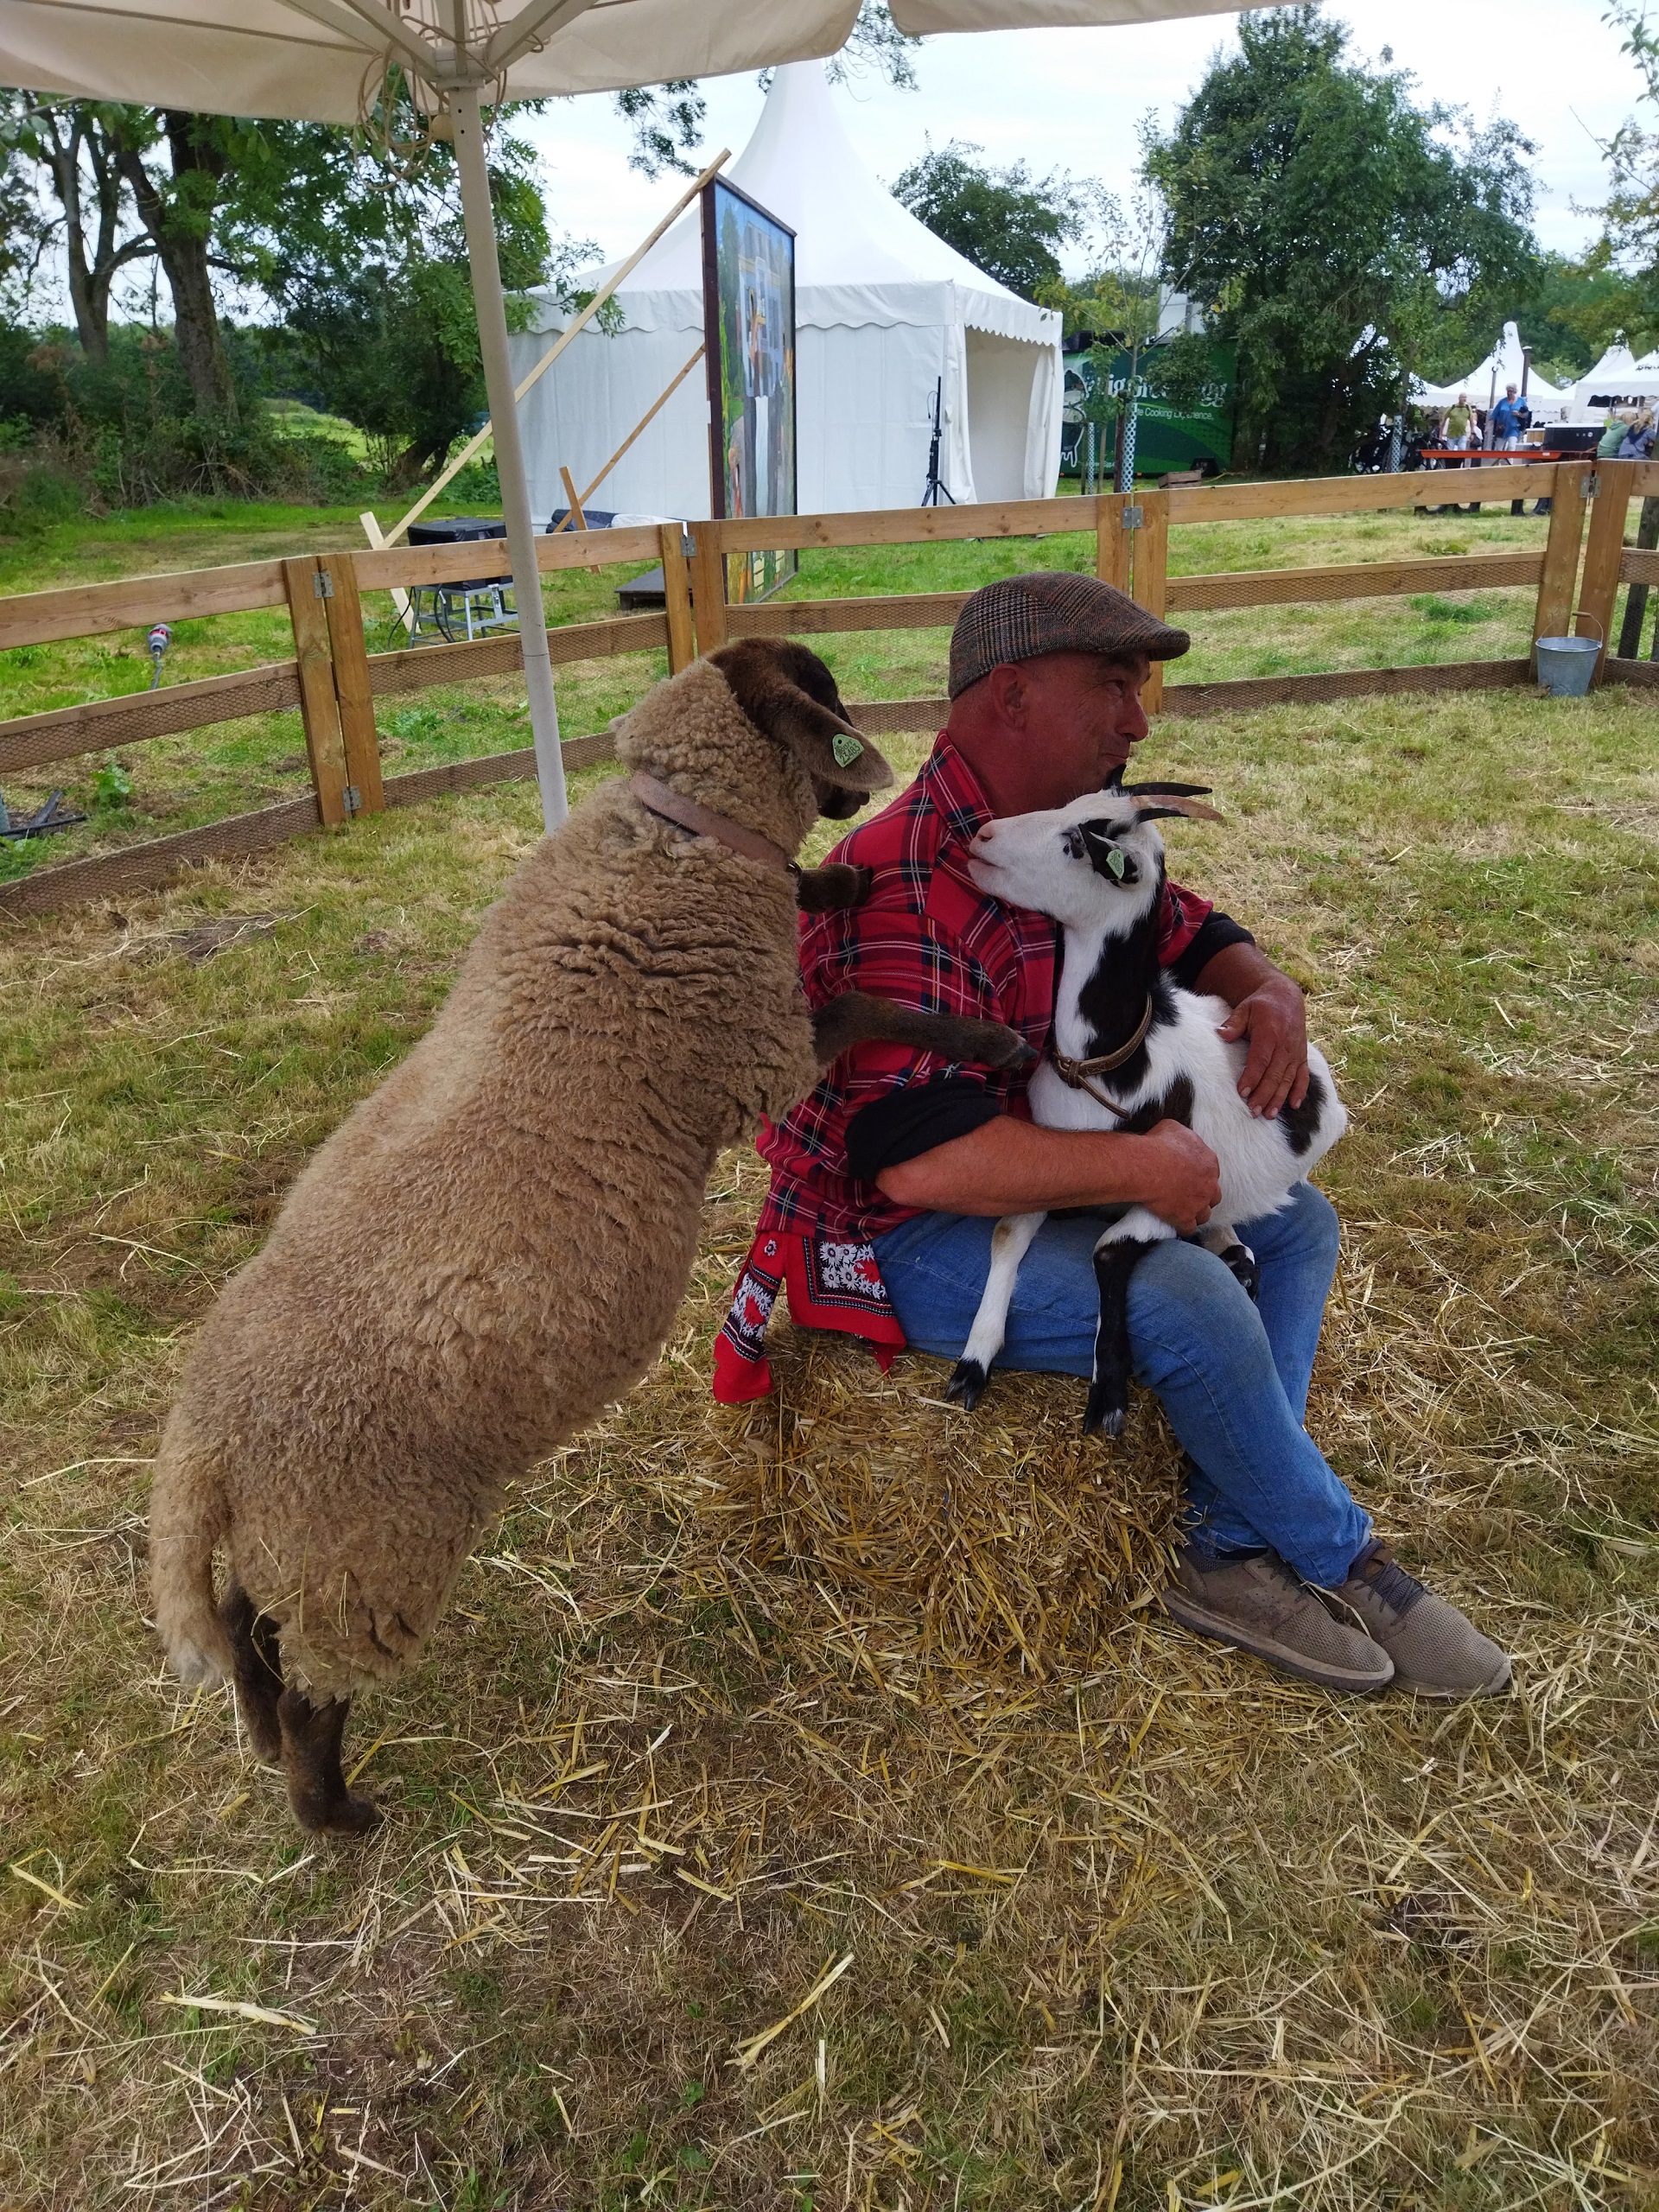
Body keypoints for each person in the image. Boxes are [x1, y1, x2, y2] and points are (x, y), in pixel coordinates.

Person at [724, 573, 1512, 1700]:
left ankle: (1226, 1547)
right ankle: (1347, 1557)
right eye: (1115, 687)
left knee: (1295, 1227)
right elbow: (916, 1159)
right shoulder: (897, 877)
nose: (1141, 720)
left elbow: (1167, 915)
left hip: (1019, 1176)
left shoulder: (1050, 825)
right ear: (1011, 696)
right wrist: (1139, 1166)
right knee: (1184, 1294)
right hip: (894, 1232)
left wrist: (1263, 980)